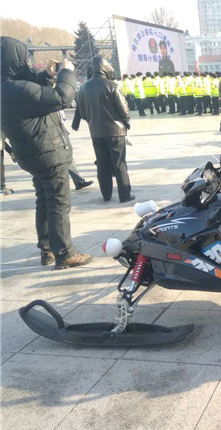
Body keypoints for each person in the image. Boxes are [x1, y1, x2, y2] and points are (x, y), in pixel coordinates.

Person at [0, 36, 93, 269]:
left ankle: (48, 249)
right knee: (58, 204)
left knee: (44, 201)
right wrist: (66, 72)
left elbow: (33, 92)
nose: (26, 63)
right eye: (23, 59)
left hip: (32, 153)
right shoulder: (17, 89)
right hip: (47, 152)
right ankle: (65, 253)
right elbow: (62, 98)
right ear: (13, 60)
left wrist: (47, 75)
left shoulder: (8, 87)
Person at [76, 56, 135, 204]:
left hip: (96, 132)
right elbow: (124, 111)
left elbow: (82, 112)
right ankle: (125, 195)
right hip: (116, 132)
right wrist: (126, 123)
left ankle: (106, 195)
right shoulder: (113, 86)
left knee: (102, 164)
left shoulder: (83, 88)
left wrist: (93, 121)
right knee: (119, 164)